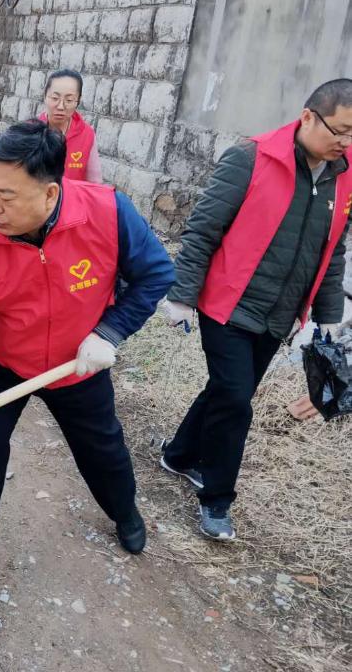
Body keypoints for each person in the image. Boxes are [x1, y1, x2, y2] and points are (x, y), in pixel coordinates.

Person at [0, 121, 175, 599]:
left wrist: (109, 332)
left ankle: (125, 511)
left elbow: (156, 274)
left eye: (7, 196)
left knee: (103, 449)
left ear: (51, 195)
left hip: (77, 364)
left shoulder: (108, 212)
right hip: (5, 359)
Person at [161, 79, 352, 541]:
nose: (345, 144)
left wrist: (329, 316)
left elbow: (333, 250)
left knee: (226, 390)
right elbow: (203, 229)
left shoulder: (343, 176)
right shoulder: (251, 158)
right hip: (228, 304)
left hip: (279, 315)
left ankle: (180, 455)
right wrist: (183, 295)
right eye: (340, 131)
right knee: (234, 399)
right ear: (308, 116)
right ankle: (217, 499)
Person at [33, 69, 102, 183]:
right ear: (45, 96)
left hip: (72, 199)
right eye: (55, 98)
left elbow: (95, 183)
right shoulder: (30, 131)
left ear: (78, 101)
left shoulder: (87, 134)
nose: (60, 106)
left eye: (69, 100)